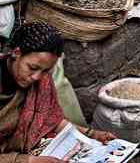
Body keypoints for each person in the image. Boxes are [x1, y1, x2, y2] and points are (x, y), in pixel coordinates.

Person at [0, 22, 116, 163]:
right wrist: (29, 161)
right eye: (32, 67)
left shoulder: (42, 81)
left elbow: (51, 120)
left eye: (45, 71)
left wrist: (91, 134)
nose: (36, 77)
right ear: (16, 53)